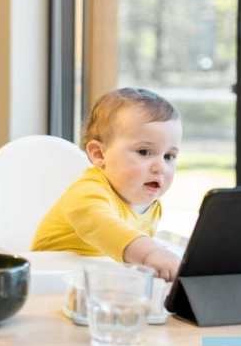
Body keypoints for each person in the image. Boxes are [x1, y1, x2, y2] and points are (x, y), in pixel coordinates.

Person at [31, 88, 183, 280]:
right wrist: (150, 252)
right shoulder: (85, 193)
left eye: (169, 156)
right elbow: (102, 225)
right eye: (144, 152)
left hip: (96, 286)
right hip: (47, 283)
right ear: (99, 154)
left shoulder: (151, 207)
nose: (160, 167)